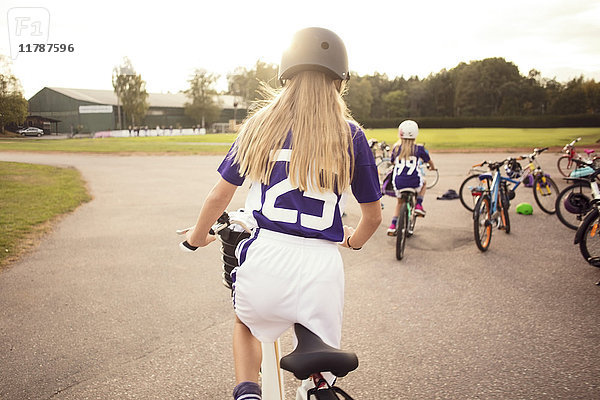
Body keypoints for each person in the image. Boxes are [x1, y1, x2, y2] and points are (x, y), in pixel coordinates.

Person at [181, 27, 382, 400]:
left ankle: (248, 392)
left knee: (245, 323)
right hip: (322, 269)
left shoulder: (260, 125)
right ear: (339, 80)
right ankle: (317, 387)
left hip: (267, 258)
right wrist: (351, 242)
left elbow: (217, 198)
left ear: (285, 75)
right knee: (319, 367)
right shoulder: (351, 134)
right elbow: (373, 218)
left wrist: (196, 238)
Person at [386, 119, 435, 235]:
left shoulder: (396, 148)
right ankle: (418, 204)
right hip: (414, 181)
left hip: (399, 182)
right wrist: (432, 167)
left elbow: (392, 162)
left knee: (399, 203)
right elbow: (430, 162)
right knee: (424, 183)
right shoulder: (419, 149)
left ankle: (393, 225)